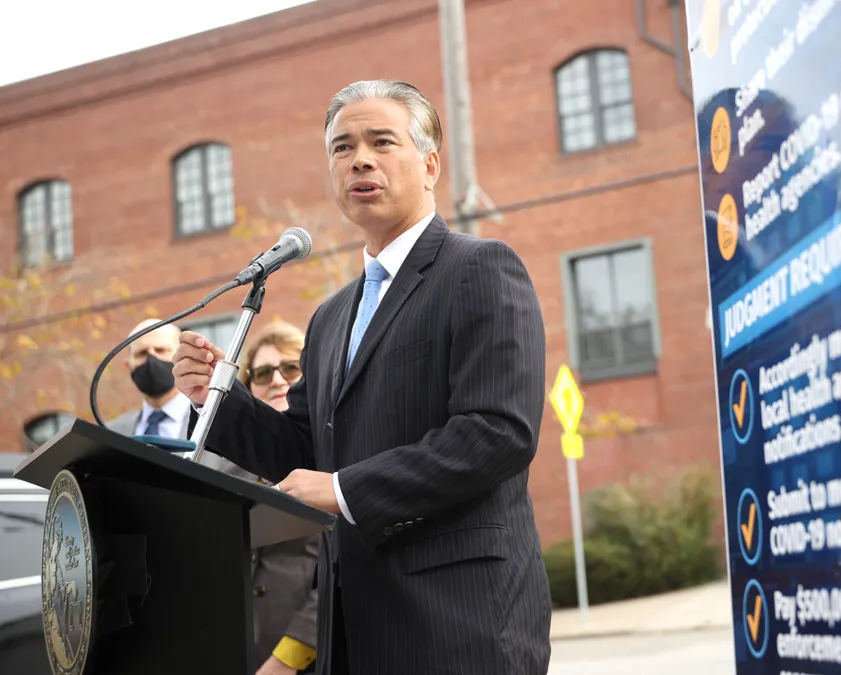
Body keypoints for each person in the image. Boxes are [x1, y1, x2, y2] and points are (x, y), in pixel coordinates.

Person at [171, 80, 551, 675]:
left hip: (459, 625)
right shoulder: (331, 317)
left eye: (381, 141)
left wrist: (346, 489)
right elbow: (302, 450)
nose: (360, 159)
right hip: (353, 632)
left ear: (429, 165)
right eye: (342, 147)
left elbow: (497, 432)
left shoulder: (479, 269)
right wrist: (216, 398)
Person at [192, 321, 321, 675]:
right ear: (247, 386)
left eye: (291, 368)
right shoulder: (217, 464)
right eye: (263, 373)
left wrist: (288, 660)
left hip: (310, 658)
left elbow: (343, 570)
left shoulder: (331, 455)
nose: (278, 380)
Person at [108, 319, 194, 440]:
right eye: (141, 353)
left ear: (182, 358)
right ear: (128, 366)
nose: (151, 359)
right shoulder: (111, 433)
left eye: (160, 350)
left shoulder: (215, 426)